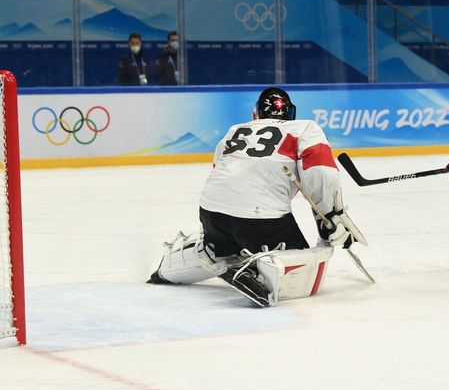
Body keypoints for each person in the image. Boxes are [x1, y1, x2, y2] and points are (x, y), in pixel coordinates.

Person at [147, 87, 365, 307]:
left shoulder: (235, 130)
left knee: (220, 247)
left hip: (211, 215)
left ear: (256, 114)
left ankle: (180, 264)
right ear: (290, 113)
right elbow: (321, 172)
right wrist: (331, 216)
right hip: (261, 221)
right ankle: (257, 269)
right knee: (308, 265)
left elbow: (220, 174)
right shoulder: (305, 128)